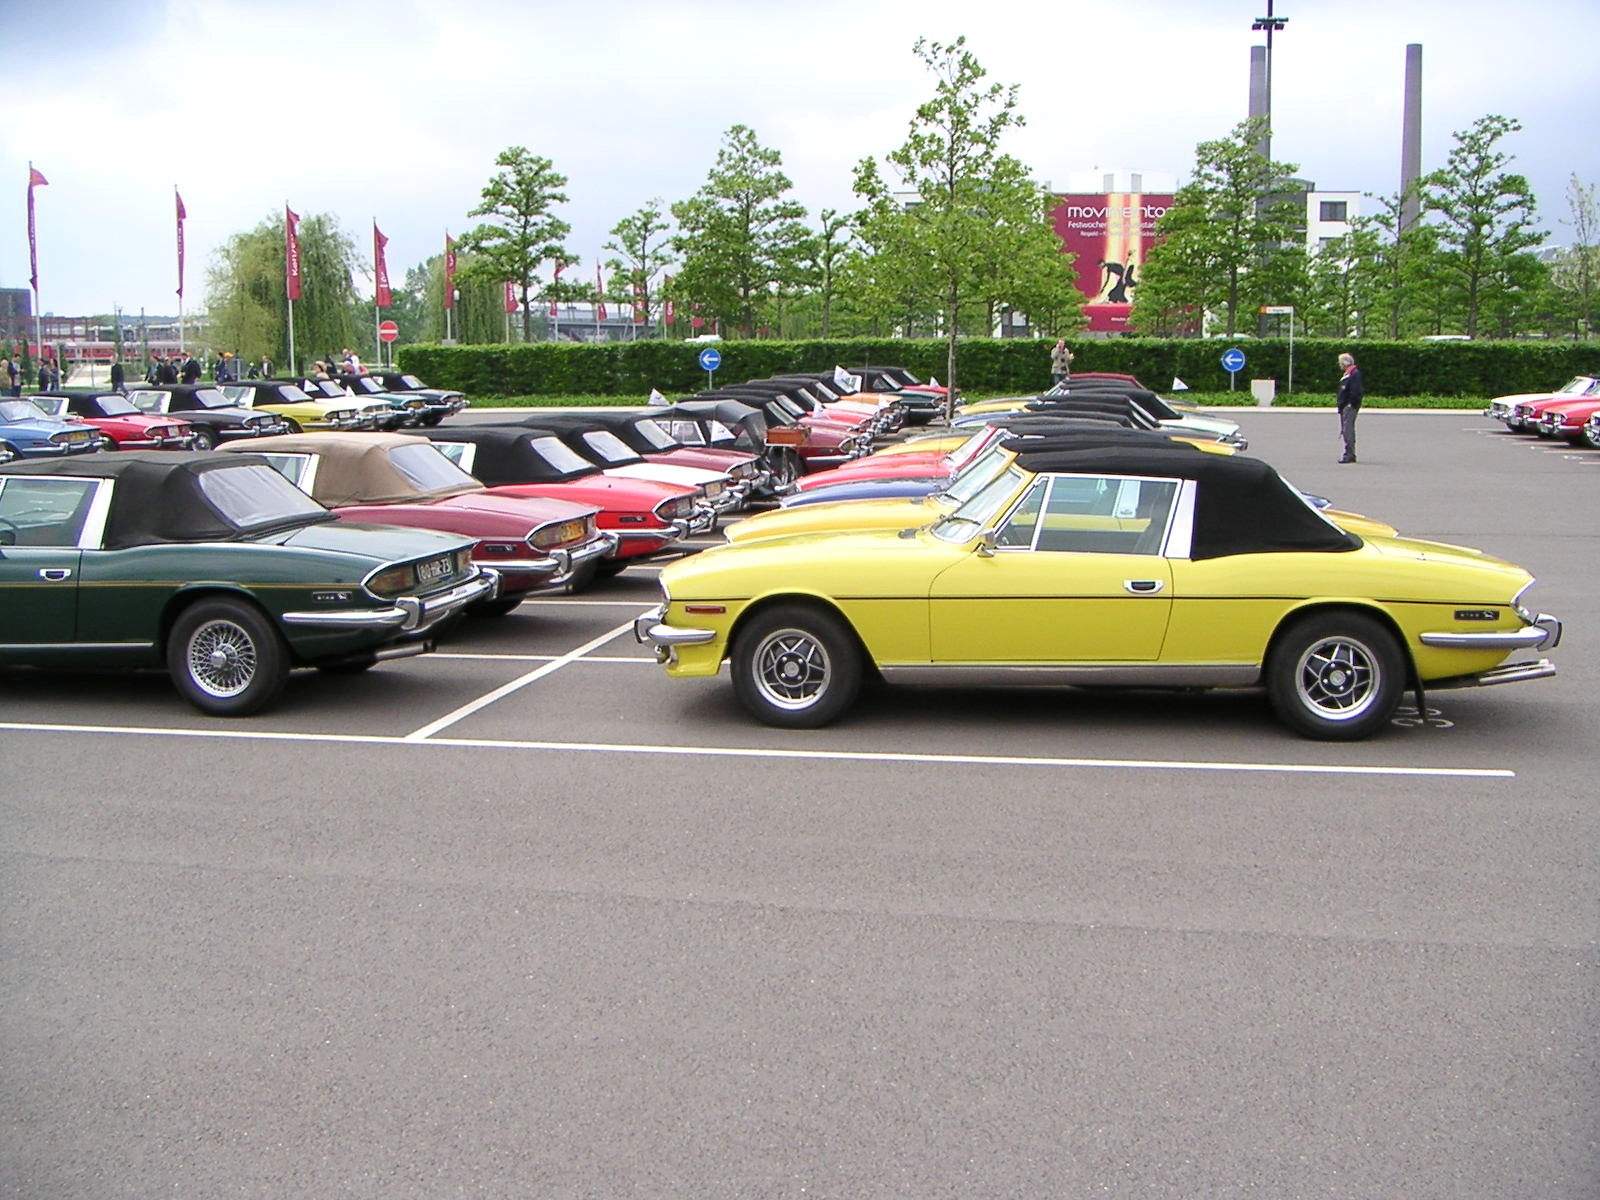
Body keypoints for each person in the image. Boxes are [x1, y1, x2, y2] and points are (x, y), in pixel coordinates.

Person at [1336, 351, 1363, 463]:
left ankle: (1350, 453)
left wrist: (1350, 404)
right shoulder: (1349, 374)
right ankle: (1348, 452)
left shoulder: (1354, 374)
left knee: (1348, 430)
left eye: (1340, 363)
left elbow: (1355, 391)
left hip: (1349, 407)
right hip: (1345, 406)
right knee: (1346, 429)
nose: (1339, 365)